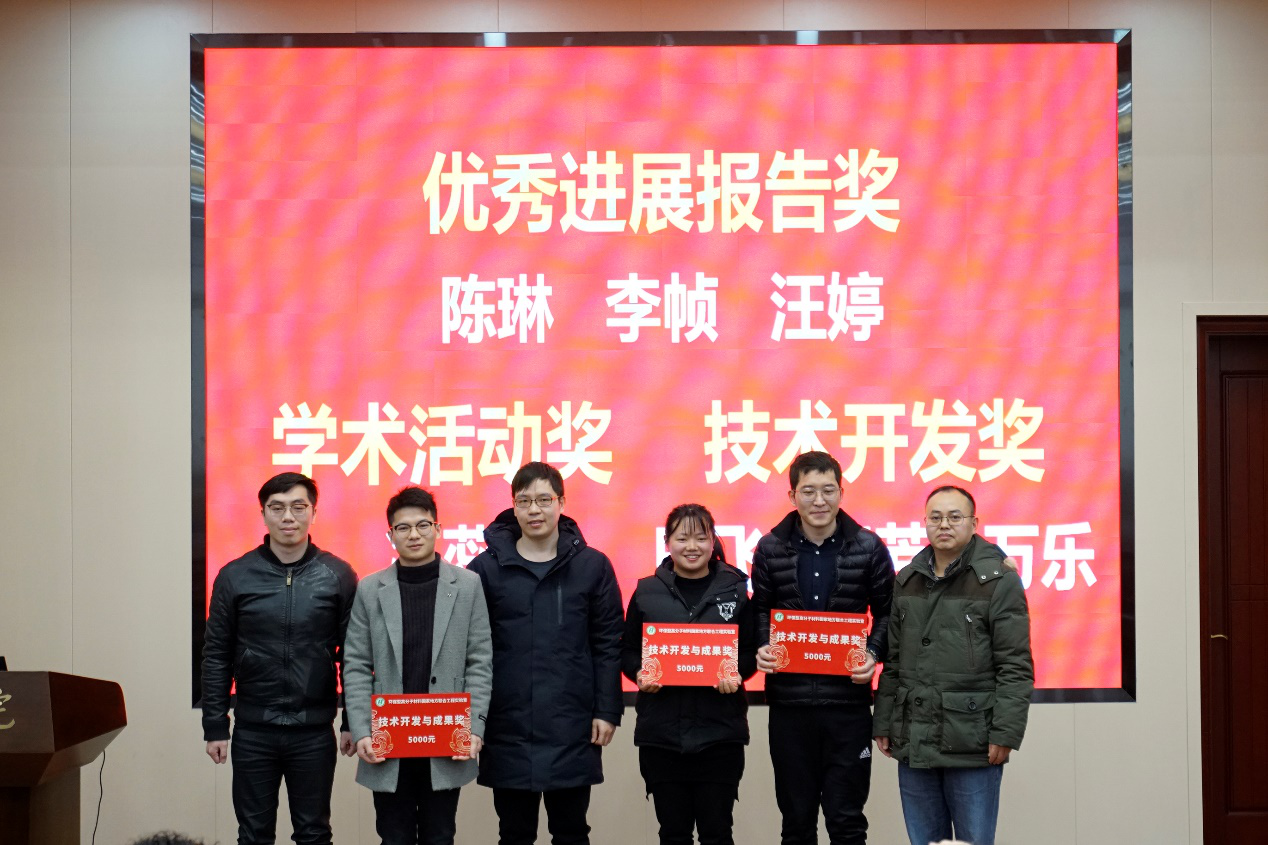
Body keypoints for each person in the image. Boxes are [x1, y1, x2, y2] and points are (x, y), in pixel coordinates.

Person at [466, 462, 624, 845]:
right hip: (507, 725)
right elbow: (470, 649)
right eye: (524, 501)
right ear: (514, 506)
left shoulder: (592, 566)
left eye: (543, 500)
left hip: (571, 725)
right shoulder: (484, 569)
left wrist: (607, 710)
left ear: (561, 503)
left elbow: (607, 643)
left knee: (571, 832)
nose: (534, 510)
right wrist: (472, 720)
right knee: (514, 834)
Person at [201, 472, 358, 845]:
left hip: (314, 731)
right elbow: (216, 655)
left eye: (298, 507)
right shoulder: (235, 576)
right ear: (263, 514)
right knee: (253, 835)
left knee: (314, 833)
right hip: (254, 730)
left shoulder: (338, 575)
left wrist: (352, 720)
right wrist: (215, 725)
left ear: (313, 512)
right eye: (277, 507)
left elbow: (353, 656)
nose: (288, 516)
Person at [872, 486, 1034, 845]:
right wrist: (883, 721)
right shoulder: (907, 580)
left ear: (974, 523)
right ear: (925, 522)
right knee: (924, 841)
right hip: (914, 737)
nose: (944, 524)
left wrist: (1005, 733)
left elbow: (1015, 665)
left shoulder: (998, 580)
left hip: (972, 739)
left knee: (974, 841)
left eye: (954, 517)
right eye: (936, 517)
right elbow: (894, 662)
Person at [751, 451, 895, 845]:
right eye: (809, 491)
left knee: (846, 821)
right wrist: (762, 645)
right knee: (797, 823)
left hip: (847, 706)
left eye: (828, 490)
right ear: (792, 495)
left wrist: (873, 654)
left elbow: (888, 612)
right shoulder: (770, 548)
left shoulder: (868, 547)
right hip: (790, 706)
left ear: (841, 492)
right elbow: (760, 609)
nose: (819, 500)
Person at [342, 486, 493, 845]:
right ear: (390, 535)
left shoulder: (468, 585)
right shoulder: (370, 589)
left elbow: (480, 661)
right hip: (388, 737)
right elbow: (356, 664)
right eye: (403, 527)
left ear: (437, 529)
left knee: (440, 835)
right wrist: (362, 730)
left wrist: (473, 727)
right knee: (393, 836)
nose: (414, 534)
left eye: (423, 525)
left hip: (444, 734)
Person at [621, 503, 757, 845]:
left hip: (720, 734)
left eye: (701, 537)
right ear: (667, 542)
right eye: (682, 538)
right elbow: (627, 650)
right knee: (673, 833)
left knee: (717, 833)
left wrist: (736, 673)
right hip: (662, 735)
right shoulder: (646, 591)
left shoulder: (737, 591)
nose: (692, 546)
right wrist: (640, 673)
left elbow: (750, 652)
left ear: (713, 542)